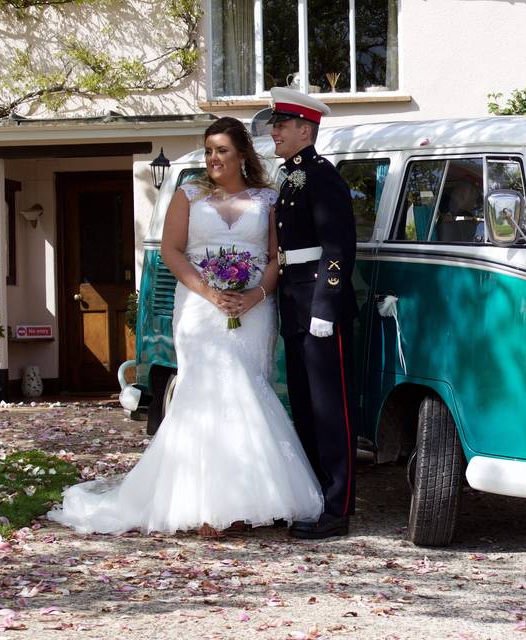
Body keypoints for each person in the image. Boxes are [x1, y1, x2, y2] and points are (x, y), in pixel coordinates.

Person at [47, 117, 323, 537]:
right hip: (198, 309)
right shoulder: (189, 194)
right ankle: (206, 507)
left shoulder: (268, 199)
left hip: (253, 308)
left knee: (249, 387)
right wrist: (209, 293)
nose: (213, 158)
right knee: (207, 395)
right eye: (209, 150)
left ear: (242, 154)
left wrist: (255, 296)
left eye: (222, 150)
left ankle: (248, 501)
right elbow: (174, 253)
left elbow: (274, 257)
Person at [267, 88, 358, 539]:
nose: (273, 131)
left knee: (329, 411)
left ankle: (337, 508)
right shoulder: (289, 176)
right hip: (294, 300)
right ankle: (312, 497)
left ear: (306, 129)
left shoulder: (322, 176)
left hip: (319, 305)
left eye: (281, 124)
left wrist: (326, 303)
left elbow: (338, 248)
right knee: (303, 407)